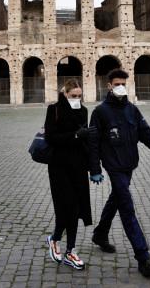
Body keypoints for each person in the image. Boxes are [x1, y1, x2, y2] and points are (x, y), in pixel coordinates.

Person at [88, 68, 150, 277]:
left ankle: (100, 234)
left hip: (129, 164)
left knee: (117, 197)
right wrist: (95, 169)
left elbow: (145, 131)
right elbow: (93, 143)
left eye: (123, 83)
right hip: (114, 166)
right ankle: (143, 258)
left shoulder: (132, 109)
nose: (120, 87)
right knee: (127, 207)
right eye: (116, 84)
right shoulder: (100, 112)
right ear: (109, 86)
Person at [44, 79, 92, 270]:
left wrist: (93, 166)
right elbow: (50, 137)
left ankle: (70, 250)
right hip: (59, 166)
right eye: (73, 96)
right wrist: (75, 136)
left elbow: (85, 141)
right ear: (65, 94)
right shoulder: (54, 110)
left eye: (79, 96)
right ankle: (55, 239)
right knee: (65, 207)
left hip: (78, 166)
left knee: (77, 208)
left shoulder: (83, 111)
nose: (77, 99)